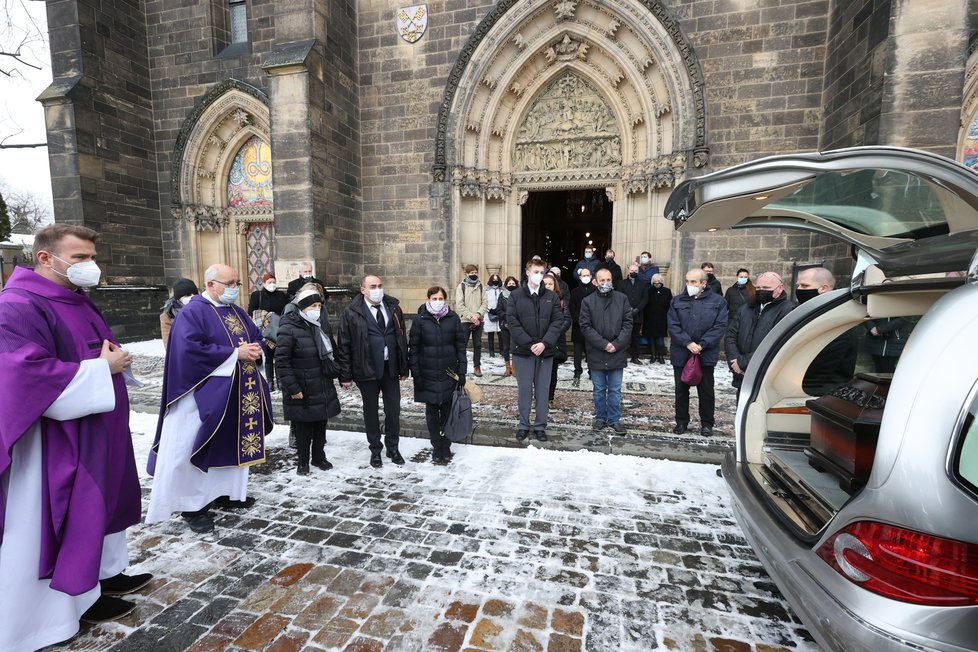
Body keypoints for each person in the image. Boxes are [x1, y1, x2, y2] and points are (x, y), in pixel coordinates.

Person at [0, 225, 150, 648]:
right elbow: (24, 375)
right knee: (54, 522)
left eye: (90, 256)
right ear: (45, 258)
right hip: (52, 444)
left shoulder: (75, 297)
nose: (90, 266)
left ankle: (102, 579)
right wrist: (103, 369)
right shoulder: (16, 305)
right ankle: (48, 616)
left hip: (97, 429)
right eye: (80, 258)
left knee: (102, 506)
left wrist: (112, 362)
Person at [146, 263, 273, 534]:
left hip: (239, 393)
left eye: (237, 283)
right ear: (211, 284)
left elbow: (256, 337)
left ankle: (226, 493)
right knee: (194, 444)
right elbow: (188, 350)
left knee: (231, 441)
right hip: (200, 394)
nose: (235, 289)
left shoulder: (237, 311)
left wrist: (256, 349)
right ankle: (193, 506)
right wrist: (234, 354)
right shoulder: (192, 312)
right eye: (230, 284)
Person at [336, 275, 409, 468]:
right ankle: (375, 449)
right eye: (372, 286)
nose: (377, 289)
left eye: (380, 286)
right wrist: (345, 374)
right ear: (363, 290)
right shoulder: (352, 312)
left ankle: (393, 447)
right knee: (371, 412)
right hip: (366, 368)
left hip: (390, 368)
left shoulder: (393, 307)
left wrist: (403, 366)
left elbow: (401, 338)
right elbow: (344, 344)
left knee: (393, 410)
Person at [275, 285, 341, 475]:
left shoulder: (320, 326)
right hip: (302, 385)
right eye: (312, 305)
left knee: (321, 422)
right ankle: (303, 461)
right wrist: (293, 388)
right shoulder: (288, 327)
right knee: (303, 427)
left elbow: (332, 351)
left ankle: (318, 457)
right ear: (302, 307)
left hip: (321, 382)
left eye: (319, 305)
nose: (316, 309)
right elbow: (282, 361)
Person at [506, 258, 564, 442]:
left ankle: (540, 425)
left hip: (544, 351)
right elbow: (513, 322)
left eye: (542, 272)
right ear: (527, 272)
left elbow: (557, 322)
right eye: (536, 271)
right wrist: (530, 343)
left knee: (542, 390)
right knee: (524, 390)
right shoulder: (515, 296)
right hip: (523, 351)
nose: (539, 275)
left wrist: (544, 343)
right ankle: (523, 424)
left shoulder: (551, 296)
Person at [409, 286, 467, 464]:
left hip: (449, 374)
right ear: (428, 299)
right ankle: (436, 445)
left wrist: (462, 371)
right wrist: (416, 374)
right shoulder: (420, 320)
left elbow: (460, 347)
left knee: (448, 413)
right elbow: (414, 349)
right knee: (432, 413)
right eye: (434, 298)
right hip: (428, 374)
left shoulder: (453, 318)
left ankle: (446, 445)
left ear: (446, 299)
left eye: (440, 298)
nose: (437, 301)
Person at [667, 268, 728, 436]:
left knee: (706, 390)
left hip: (705, 353)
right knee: (681, 390)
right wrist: (687, 343)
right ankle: (681, 421)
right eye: (687, 281)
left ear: (704, 283)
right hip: (682, 352)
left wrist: (701, 344)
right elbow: (673, 325)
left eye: (693, 282)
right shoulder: (677, 301)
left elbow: (720, 326)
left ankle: (707, 423)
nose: (689, 285)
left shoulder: (718, 301)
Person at [580, 268, 633, 434]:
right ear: (595, 281)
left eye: (608, 280)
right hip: (597, 351)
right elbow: (585, 326)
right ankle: (601, 418)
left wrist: (616, 344)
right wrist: (604, 344)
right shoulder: (587, 301)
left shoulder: (622, 299)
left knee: (615, 390)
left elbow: (628, 324)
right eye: (602, 280)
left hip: (617, 351)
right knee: (599, 389)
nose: (605, 283)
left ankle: (614, 419)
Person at [726, 271, 794, 396]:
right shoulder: (746, 308)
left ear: (780, 288)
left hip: (765, 376)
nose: (761, 291)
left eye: (766, 288)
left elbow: (778, 344)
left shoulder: (788, 311)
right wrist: (735, 363)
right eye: (758, 287)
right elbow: (731, 335)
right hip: (741, 376)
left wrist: (744, 363)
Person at [797, 267, 859, 395]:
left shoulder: (838, 320)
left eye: (804, 285)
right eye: (798, 285)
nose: (799, 290)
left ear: (824, 288)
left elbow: (819, 367)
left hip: (821, 390)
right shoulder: (810, 313)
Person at [248, 272, 289, 391]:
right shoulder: (257, 295)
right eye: (269, 282)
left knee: (279, 356)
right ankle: (270, 382)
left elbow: (286, 310)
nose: (272, 284)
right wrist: (266, 316)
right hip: (265, 330)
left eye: (274, 282)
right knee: (269, 357)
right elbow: (251, 311)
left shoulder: (281, 295)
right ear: (264, 283)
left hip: (279, 329)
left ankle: (280, 382)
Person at [542, 274, 570, 409]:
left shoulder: (561, 301)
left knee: (552, 371)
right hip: (539, 340)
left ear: (555, 286)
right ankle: (539, 396)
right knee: (538, 372)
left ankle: (549, 397)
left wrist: (554, 332)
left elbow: (567, 319)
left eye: (550, 284)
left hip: (555, 340)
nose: (547, 286)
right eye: (545, 284)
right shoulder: (536, 299)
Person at [455, 263, 487, 377]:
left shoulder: (481, 286)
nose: (474, 274)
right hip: (465, 321)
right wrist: (471, 316)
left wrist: (478, 315)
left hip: (478, 320)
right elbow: (459, 304)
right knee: (462, 345)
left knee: (477, 345)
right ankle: (461, 366)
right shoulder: (461, 287)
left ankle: (477, 366)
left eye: (475, 272)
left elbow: (484, 302)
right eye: (471, 273)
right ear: (467, 273)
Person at [617, 262, 649, 365]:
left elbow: (645, 298)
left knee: (635, 336)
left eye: (635, 270)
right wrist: (628, 309)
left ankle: (635, 357)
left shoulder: (643, 284)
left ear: (638, 271)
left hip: (638, 314)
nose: (633, 272)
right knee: (624, 335)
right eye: (631, 270)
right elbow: (619, 297)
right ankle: (622, 355)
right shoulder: (622, 283)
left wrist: (637, 309)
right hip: (624, 314)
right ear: (628, 271)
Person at [569, 268, 597, 385]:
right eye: (583, 275)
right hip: (578, 326)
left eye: (587, 275)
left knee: (591, 351)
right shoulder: (575, 291)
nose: (585, 277)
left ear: (591, 276)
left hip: (592, 326)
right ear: (580, 277)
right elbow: (572, 307)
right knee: (577, 351)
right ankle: (577, 370)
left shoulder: (596, 290)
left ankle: (592, 371)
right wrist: (579, 320)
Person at [160, 277, 199, 348]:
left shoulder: (203, 309)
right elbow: (169, 344)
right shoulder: (168, 315)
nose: (192, 297)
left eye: (195, 294)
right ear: (179, 298)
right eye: (188, 295)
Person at [645, 273, 672, 363]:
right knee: (651, 339)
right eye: (655, 281)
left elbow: (670, 305)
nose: (657, 283)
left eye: (659, 281)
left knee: (660, 339)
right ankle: (653, 356)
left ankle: (660, 356)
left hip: (662, 319)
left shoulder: (667, 291)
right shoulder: (648, 291)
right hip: (650, 318)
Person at [498, 276, 519, 376]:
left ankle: (514, 367)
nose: (511, 286)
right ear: (506, 285)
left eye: (513, 284)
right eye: (509, 284)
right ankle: (507, 368)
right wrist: (506, 316)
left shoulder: (520, 295)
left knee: (514, 346)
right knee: (505, 347)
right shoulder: (502, 296)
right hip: (505, 324)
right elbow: (499, 310)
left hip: (516, 324)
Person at [484, 273, 505, 359]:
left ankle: (502, 350)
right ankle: (491, 351)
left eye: (497, 279)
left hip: (500, 313)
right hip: (490, 313)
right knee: (490, 333)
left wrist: (499, 310)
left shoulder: (502, 291)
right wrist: (490, 309)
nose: (495, 281)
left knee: (501, 333)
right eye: (494, 279)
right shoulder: (487, 291)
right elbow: (484, 302)